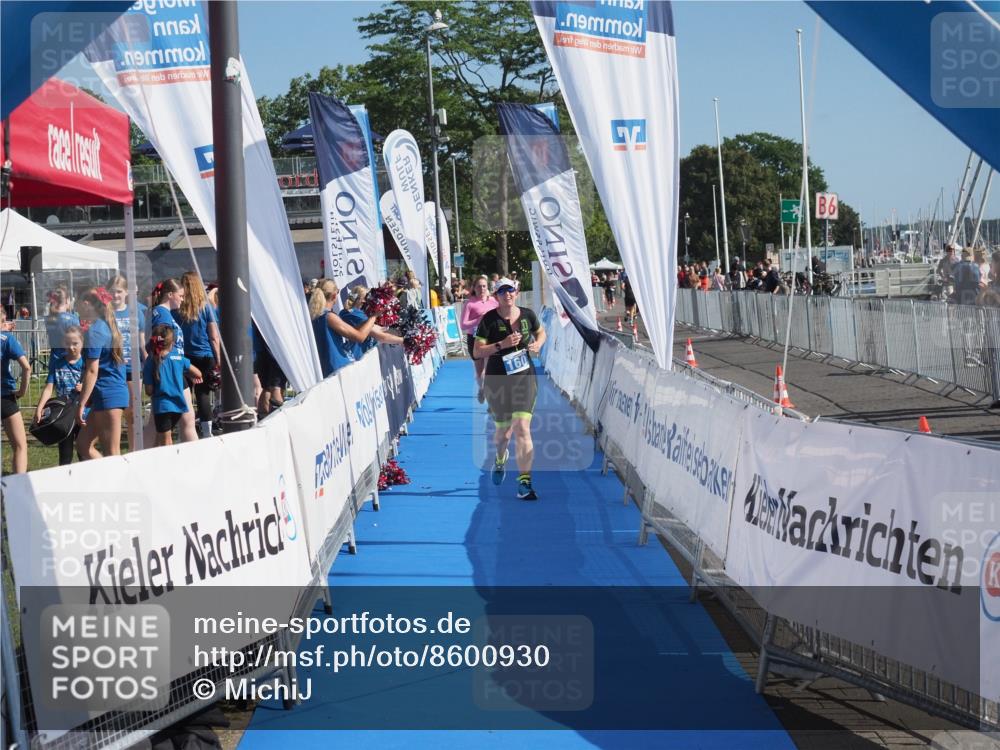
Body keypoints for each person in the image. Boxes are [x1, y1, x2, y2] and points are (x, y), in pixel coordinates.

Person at [473, 277, 546, 501]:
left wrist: (538, 344)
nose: (508, 294)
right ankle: (500, 459)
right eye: (503, 291)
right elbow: (477, 352)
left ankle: (524, 482)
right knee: (503, 434)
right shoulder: (488, 319)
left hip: (524, 377)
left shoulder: (528, 315)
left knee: (522, 427)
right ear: (496, 296)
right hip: (498, 380)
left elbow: (541, 332)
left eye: (511, 290)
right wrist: (501, 345)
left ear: (516, 292)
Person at [75, 287, 128, 460]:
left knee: (112, 454)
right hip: (105, 393)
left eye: (77, 302)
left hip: (109, 394)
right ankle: (103, 473)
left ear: (86, 304)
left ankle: (119, 478)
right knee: (83, 444)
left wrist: (81, 403)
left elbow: (92, 370)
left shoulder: (96, 330)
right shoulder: (104, 326)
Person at [148, 279, 198, 442]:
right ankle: (198, 454)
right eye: (180, 296)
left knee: (157, 424)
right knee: (187, 419)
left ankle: (143, 453)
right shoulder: (162, 315)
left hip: (172, 369)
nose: (183, 299)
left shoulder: (164, 313)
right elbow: (159, 344)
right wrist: (175, 365)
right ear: (170, 295)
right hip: (170, 371)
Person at [176, 272, 221, 438]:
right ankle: (207, 432)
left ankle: (184, 431)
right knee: (203, 395)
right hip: (205, 355)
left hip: (185, 357)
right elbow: (214, 337)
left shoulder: (177, 309)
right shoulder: (206, 307)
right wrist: (219, 359)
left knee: (185, 395)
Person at [143, 325, 202, 447]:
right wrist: (180, 372)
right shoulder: (178, 358)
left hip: (162, 407)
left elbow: (149, 390)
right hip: (178, 406)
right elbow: (198, 373)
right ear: (172, 344)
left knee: (166, 442)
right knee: (164, 439)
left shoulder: (150, 361)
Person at [34, 326, 84, 465]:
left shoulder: (86, 364)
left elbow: (95, 385)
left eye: (75, 343)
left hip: (82, 414)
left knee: (84, 452)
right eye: (68, 343)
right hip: (63, 416)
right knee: (65, 455)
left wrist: (84, 388)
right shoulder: (57, 363)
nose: (71, 347)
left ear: (83, 343)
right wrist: (39, 408)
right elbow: (49, 388)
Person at [309, 279, 377, 377]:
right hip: (339, 369)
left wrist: (366, 322)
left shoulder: (315, 316)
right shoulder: (329, 317)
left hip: (327, 368)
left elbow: (353, 330)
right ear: (334, 296)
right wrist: (374, 316)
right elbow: (360, 337)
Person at [109, 275, 147, 448]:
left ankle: (134, 449)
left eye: (119, 291)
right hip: (113, 368)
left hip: (133, 368)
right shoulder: (105, 312)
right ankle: (113, 450)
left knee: (133, 412)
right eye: (112, 291)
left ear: (126, 292)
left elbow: (142, 341)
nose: (115, 295)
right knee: (114, 413)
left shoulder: (136, 312)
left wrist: (148, 361)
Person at [459, 275, 498, 401]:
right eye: (479, 286)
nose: (482, 289)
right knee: (480, 371)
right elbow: (463, 325)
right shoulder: (469, 303)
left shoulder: (494, 301)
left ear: (487, 287)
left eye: (484, 286)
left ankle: (491, 396)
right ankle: (481, 389)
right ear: (474, 288)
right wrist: (479, 319)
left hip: (490, 338)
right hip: (475, 338)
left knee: (489, 369)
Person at [340, 286, 405, 361]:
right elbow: (381, 336)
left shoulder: (360, 313)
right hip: (357, 358)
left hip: (364, 357)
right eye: (369, 296)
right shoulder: (353, 314)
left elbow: (381, 329)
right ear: (363, 300)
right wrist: (403, 340)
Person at [1, 307, 30, 474]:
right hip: (5, 396)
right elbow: (26, 367)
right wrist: (22, 391)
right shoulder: (7, 339)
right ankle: (19, 484)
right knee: (20, 446)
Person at [44, 286, 79, 359]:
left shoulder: (49, 319)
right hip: (70, 360)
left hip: (54, 360)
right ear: (67, 300)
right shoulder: (73, 319)